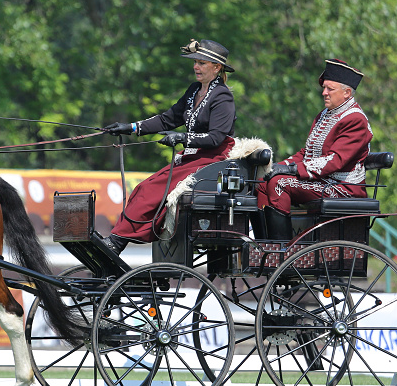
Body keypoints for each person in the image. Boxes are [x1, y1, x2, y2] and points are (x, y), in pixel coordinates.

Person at [102, 38, 237, 253]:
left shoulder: (223, 96)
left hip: (213, 161)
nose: (195, 67)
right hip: (193, 157)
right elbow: (167, 119)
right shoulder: (194, 90)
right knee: (142, 188)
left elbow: (216, 138)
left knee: (150, 190)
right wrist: (131, 127)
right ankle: (118, 239)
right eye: (195, 62)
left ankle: (117, 242)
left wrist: (182, 138)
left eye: (201, 63)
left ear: (216, 67)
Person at [255, 59, 372, 240]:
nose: (324, 93)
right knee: (262, 182)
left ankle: (283, 251)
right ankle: (264, 246)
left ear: (347, 93)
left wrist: (292, 170)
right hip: (321, 182)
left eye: (330, 89)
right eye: (324, 88)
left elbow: (335, 160)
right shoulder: (325, 114)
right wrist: (277, 166)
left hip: (342, 188)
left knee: (280, 183)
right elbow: (307, 153)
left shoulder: (355, 119)